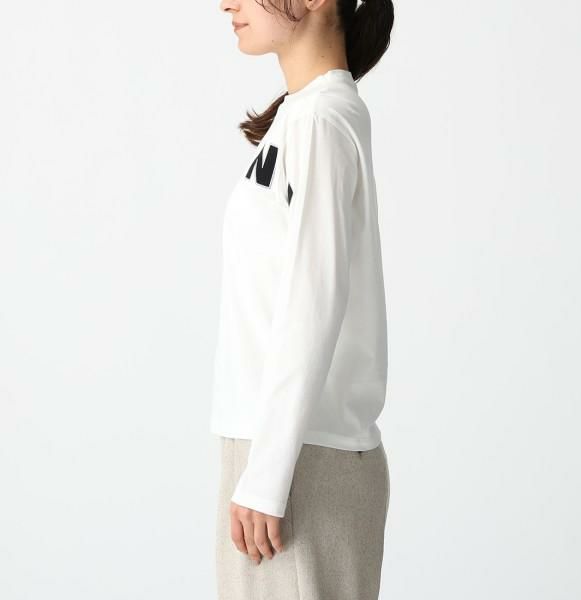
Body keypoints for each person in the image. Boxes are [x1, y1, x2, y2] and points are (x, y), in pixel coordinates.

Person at [211, 0, 394, 598]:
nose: (227, 3)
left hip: (297, 462)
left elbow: (314, 298)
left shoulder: (321, 120)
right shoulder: (304, 116)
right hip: (283, 451)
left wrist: (266, 477)